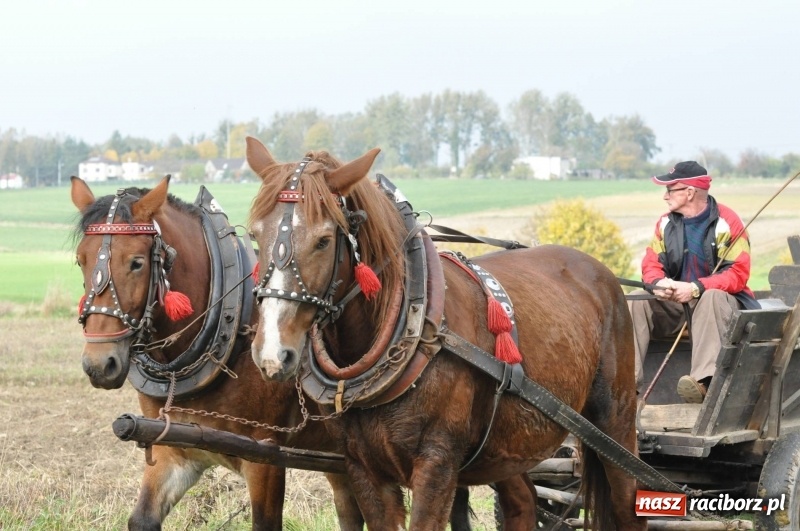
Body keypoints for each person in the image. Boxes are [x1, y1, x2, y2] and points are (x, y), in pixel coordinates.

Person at [628, 161, 760, 403]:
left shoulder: (728, 222)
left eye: (670, 190)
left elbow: (738, 274)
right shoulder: (665, 223)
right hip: (678, 305)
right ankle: (628, 386)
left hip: (721, 306)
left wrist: (696, 288)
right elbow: (651, 263)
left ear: (690, 192)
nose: (665, 196)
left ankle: (703, 383)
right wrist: (659, 283)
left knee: (711, 297)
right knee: (636, 300)